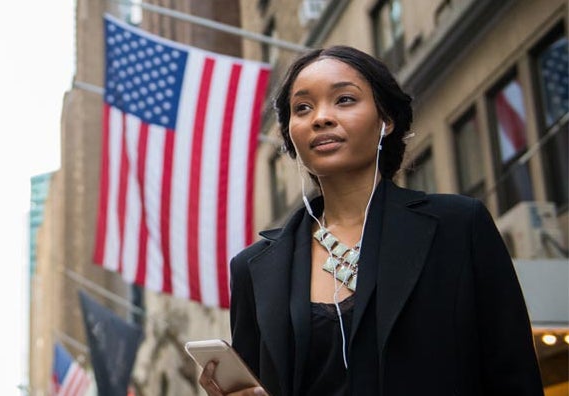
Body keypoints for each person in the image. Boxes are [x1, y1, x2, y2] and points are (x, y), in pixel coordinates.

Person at [197, 45, 543, 395]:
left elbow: (514, 375)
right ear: (291, 135)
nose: (320, 117)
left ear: (386, 121)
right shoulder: (252, 270)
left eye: (344, 99)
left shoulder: (458, 226)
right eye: (302, 108)